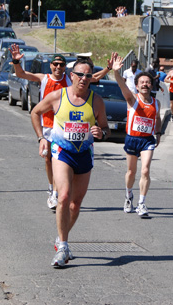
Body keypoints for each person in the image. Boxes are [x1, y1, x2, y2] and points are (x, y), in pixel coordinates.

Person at [10, 44, 111, 210]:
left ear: (66, 69)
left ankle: (57, 193)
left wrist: (107, 68)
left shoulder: (70, 80)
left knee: (56, 159)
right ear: (51, 66)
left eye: (61, 65)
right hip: (47, 126)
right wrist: (15, 60)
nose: (58, 67)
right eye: (55, 64)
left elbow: (92, 77)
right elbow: (21, 74)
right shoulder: (44, 78)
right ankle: (53, 189)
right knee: (48, 159)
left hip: (64, 126)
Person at [31, 58, 110, 267]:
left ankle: (61, 238)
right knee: (64, 196)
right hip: (62, 151)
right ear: (72, 75)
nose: (83, 79)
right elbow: (35, 112)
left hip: (84, 153)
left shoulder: (97, 101)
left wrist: (100, 132)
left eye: (88, 75)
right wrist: (41, 138)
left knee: (75, 205)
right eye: (80, 74)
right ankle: (64, 247)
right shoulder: (58, 96)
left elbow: (106, 128)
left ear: (91, 78)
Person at [111, 53, 162, 218]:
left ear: (151, 85)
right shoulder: (132, 99)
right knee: (131, 172)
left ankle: (141, 203)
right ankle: (128, 195)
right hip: (132, 139)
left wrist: (158, 133)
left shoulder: (156, 102)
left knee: (145, 170)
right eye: (142, 82)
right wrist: (116, 73)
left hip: (147, 140)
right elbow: (121, 86)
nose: (145, 85)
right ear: (137, 85)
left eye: (147, 82)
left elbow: (158, 118)